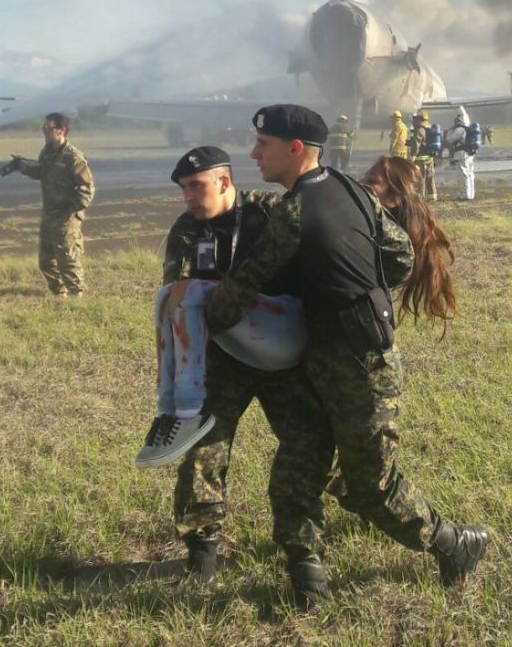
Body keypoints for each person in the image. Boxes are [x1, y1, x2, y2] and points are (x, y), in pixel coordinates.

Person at [205, 104, 488, 606]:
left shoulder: (294, 213)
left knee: (371, 485)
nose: (254, 154)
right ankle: (307, 581)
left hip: (361, 368)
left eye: (263, 145)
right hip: (322, 355)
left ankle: (454, 544)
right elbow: (399, 254)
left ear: (295, 149)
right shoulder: (349, 188)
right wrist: (358, 285)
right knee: (296, 469)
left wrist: (193, 312)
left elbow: (237, 293)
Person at [140, 146, 304, 582]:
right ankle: (202, 559)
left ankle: (347, 510)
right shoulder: (186, 229)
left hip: (280, 356)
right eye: (183, 189)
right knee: (202, 454)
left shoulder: (270, 212)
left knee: (309, 444)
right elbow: (175, 297)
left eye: (196, 186)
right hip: (221, 359)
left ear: (225, 181)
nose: (188, 197)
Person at [12, 112, 94, 296]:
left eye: (48, 128)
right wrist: (21, 165)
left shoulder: (73, 157)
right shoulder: (47, 152)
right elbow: (41, 171)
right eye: (43, 128)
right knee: (46, 260)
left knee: (67, 258)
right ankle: (59, 293)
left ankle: (77, 295)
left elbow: (87, 189)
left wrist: (71, 212)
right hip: (49, 214)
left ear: (61, 130)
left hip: (65, 217)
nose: (44, 132)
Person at [408, 109, 437, 202]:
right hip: (429, 158)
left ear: (420, 118)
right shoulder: (429, 128)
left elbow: (417, 144)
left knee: (421, 178)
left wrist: (412, 156)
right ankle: (432, 197)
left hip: (421, 159)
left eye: (416, 118)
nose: (414, 121)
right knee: (430, 177)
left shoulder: (420, 129)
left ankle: (420, 198)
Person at [448, 106, 475, 200]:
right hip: (469, 154)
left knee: (463, 174)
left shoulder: (460, 129)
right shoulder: (468, 129)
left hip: (462, 154)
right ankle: (470, 194)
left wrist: (450, 130)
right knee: (470, 174)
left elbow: (450, 139)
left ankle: (464, 195)